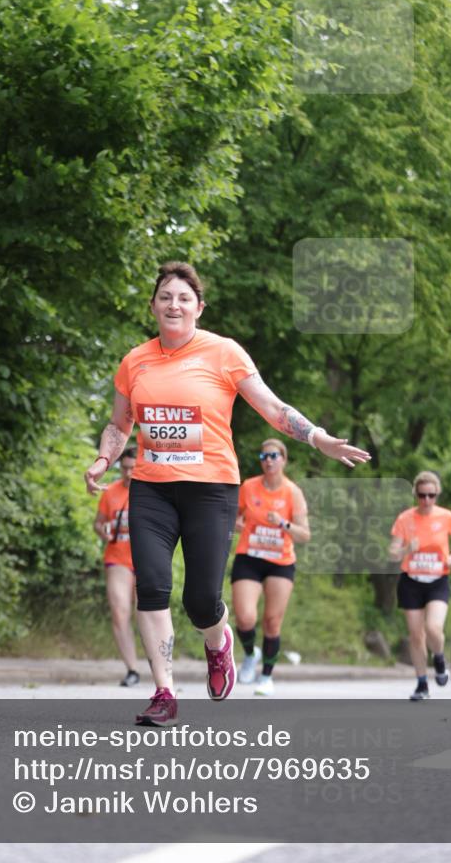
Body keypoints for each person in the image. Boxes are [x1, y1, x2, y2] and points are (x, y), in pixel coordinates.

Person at [84, 261, 370, 726]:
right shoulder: (135, 360)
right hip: (152, 491)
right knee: (151, 587)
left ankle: (218, 644)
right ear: (153, 306)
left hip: (211, 490)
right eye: (165, 297)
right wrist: (103, 460)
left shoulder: (223, 353)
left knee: (200, 599)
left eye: (183, 298)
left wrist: (318, 437)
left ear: (199, 307)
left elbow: (273, 409)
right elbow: (120, 425)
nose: (173, 305)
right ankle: (165, 691)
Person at [231, 438, 309, 696]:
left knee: (272, 621)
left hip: (280, 562)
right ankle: (250, 652)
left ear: (283, 460)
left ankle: (266, 676)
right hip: (250, 556)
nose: (269, 460)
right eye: (264, 456)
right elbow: (233, 515)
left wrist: (284, 525)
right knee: (245, 617)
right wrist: (236, 523)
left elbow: (304, 535)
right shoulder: (249, 487)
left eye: (274, 456)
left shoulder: (292, 492)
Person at [389, 471, 451, 702]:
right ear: (416, 494)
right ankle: (422, 684)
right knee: (415, 635)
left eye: (431, 495)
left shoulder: (447, 517)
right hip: (411, 581)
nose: (427, 500)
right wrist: (405, 550)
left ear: (437, 494)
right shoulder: (405, 519)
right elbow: (392, 553)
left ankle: (439, 659)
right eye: (422, 495)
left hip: (437, 580)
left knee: (433, 628)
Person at [94, 448, 140, 687]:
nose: (130, 473)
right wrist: (102, 531)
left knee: (145, 614)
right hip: (118, 558)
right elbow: (98, 523)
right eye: (125, 468)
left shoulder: (153, 491)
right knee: (120, 612)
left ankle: (158, 663)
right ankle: (132, 668)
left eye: (134, 467)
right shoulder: (111, 491)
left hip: (145, 560)